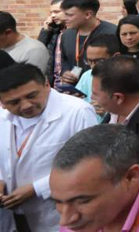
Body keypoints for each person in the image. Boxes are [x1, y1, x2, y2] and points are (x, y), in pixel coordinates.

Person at [0, 64, 97, 231]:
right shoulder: (2, 117)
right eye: (14, 102)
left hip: (56, 213)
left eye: (31, 96)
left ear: (46, 85)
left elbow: (91, 164)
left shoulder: (77, 112)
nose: (26, 106)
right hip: (12, 214)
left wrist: (37, 188)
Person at [58, 0, 117, 86]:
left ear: (88, 14)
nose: (65, 18)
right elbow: (64, 59)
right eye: (65, 14)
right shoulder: (66, 34)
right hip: (75, 90)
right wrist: (66, 72)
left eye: (69, 15)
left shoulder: (112, 33)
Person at [74, 35, 119, 119]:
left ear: (116, 56)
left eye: (99, 61)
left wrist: (108, 114)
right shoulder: (87, 75)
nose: (93, 66)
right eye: (89, 61)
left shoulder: (127, 78)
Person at [37, 0, 67, 85]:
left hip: (69, 81)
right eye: (51, 12)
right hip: (53, 82)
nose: (53, 16)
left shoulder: (76, 32)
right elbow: (39, 49)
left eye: (57, 12)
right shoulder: (53, 30)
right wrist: (46, 30)